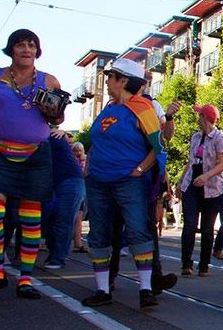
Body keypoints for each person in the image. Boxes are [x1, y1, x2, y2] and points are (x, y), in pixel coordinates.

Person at [0, 29, 64, 299]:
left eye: (31, 45)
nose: (26, 50)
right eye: (20, 45)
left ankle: (25, 279)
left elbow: (57, 120)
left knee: (30, 218)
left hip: (35, 155)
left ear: (37, 51)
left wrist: (54, 112)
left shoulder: (49, 80)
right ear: (11, 49)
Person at [80, 58, 165, 308]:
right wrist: (88, 170)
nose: (107, 81)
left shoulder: (143, 108)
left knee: (138, 230)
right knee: (99, 233)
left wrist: (139, 170)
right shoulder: (108, 109)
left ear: (123, 80)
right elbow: (96, 143)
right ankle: (102, 290)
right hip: (98, 181)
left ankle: (146, 289)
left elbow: (159, 147)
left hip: (128, 181)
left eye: (110, 77)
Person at [178, 104, 223, 277]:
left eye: (200, 115)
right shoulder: (196, 137)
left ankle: (204, 265)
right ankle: (186, 264)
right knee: (190, 224)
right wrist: (180, 182)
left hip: (212, 188)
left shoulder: (220, 138)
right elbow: (191, 162)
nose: (198, 118)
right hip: (192, 185)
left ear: (205, 117)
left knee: (207, 228)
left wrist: (207, 176)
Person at [42, 129, 86, 270]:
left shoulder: (50, 136)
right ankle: (55, 254)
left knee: (63, 220)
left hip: (69, 181)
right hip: (57, 183)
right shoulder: (50, 135)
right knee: (49, 221)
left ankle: (58, 258)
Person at [71, 141, 88, 252]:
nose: (78, 153)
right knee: (78, 217)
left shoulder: (86, 160)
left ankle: (78, 243)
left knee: (80, 217)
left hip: (84, 191)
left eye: (80, 151)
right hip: (76, 190)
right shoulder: (71, 161)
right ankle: (77, 243)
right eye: (75, 151)